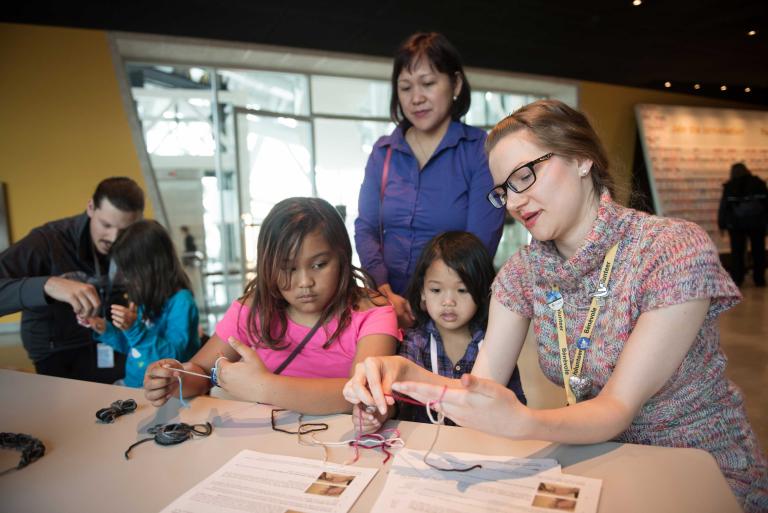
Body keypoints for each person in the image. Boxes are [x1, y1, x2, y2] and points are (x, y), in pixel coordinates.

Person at [343, 100, 768, 511]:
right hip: (594, 458)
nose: (513, 202)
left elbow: (617, 407)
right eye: (503, 190)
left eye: (524, 176)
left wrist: (524, 422)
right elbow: (481, 389)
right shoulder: (522, 272)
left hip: (697, 467)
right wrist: (401, 375)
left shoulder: (671, 249)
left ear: (582, 158)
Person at [143, 197, 399, 415]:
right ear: (268, 266)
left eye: (319, 264)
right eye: (288, 269)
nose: (305, 282)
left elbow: (364, 392)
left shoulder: (372, 311)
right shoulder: (254, 308)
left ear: (342, 257)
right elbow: (200, 372)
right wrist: (174, 378)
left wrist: (263, 387)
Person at [354, 32, 504, 328]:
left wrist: (433, 300)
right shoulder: (383, 152)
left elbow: (481, 240)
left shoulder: (478, 151)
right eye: (405, 87)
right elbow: (366, 226)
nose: (416, 98)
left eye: (428, 83)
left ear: (456, 84)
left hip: (452, 310)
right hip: (389, 308)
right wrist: (382, 290)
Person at [353, 231, 525, 432]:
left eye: (462, 290)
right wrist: (374, 413)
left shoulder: (493, 344)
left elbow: (515, 407)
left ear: (481, 292)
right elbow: (394, 400)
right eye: (436, 290)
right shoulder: (415, 343)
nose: (448, 302)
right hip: (423, 449)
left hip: (483, 448)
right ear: (422, 293)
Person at [0, 176, 144, 383]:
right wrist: (47, 285)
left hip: (115, 339)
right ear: (91, 207)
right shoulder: (47, 241)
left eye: (124, 230)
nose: (114, 238)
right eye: (106, 225)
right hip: (59, 351)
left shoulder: (140, 240)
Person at [83, 220, 201, 387]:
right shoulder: (145, 299)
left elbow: (173, 358)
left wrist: (134, 329)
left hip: (166, 392)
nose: (126, 279)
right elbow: (135, 349)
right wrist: (105, 329)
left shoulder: (181, 302)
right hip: (133, 387)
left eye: (131, 272)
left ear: (151, 266)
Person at [718, 162, 767, 287]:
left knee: (737, 252)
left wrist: (722, 223)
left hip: (736, 225)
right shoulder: (758, 183)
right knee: (758, 251)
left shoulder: (730, 186)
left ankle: (737, 278)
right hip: (757, 224)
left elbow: (724, 206)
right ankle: (759, 278)